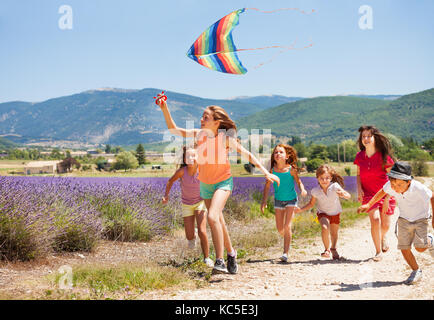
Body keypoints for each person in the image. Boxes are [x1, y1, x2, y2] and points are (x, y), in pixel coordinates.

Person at [156, 96, 280, 274]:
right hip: (205, 185)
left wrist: (266, 172)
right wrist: (164, 108)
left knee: (213, 217)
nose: (201, 120)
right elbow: (173, 129)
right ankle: (231, 254)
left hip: (223, 183)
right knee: (219, 222)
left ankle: (220, 260)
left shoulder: (225, 139)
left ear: (217, 122)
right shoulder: (199, 135)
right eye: (202, 116)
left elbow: (249, 155)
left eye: (205, 117)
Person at [358, 162, 434, 285]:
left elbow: (432, 197)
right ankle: (416, 270)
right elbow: (381, 192)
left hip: (421, 219)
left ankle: (430, 239)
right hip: (404, 219)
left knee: (420, 248)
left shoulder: (418, 188)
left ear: (408, 182)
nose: (395, 188)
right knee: (404, 247)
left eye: (399, 185)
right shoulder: (391, 185)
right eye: (393, 184)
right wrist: (368, 204)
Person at [162, 145, 214, 268]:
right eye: (188, 156)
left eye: (193, 156)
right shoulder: (182, 172)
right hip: (187, 204)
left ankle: (207, 258)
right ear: (184, 160)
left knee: (202, 231)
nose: (191, 158)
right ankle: (193, 235)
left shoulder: (202, 170)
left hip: (200, 202)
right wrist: (166, 196)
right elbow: (170, 181)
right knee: (189, 236)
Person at [354, 125, 396, 261]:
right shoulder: (360, 156)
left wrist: (388, 198)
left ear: (374, 138)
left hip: (385, 193)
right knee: (375, 219)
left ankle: (383, 236)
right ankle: (378, 252)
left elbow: (392, 180)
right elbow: (358, 175)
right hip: (368, 194)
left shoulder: (384, 157)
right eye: (363, 137)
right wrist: (359, 189)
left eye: (368, 136)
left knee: (385, 225)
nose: (365, 139)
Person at [260, 144, 307, 262]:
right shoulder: (271, 170)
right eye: (276, 152)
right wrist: (264, 201)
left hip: (291, 199)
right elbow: (267, 187)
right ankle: (288, 236)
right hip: (278, 200)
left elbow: (298, 181)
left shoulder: (291, 169)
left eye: (281, 152)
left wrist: (302, 189)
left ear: (287, 156)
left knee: (287, 226)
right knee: (280, 228)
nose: (278, 154)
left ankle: (285, 253)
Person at [295, 165, 351, 260]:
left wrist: (344, 195)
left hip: (335, 213)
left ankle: (333, 248)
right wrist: (300, 209)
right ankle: (327, 250)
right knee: (325, 227)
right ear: (317, 178)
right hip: (323, 213)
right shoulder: (315, 191)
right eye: (322, 178)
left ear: (331, 178)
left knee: (334, 233)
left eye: (327, 178)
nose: (324, 180)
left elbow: (348, 195)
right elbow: (311, 204)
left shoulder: (335, 186)